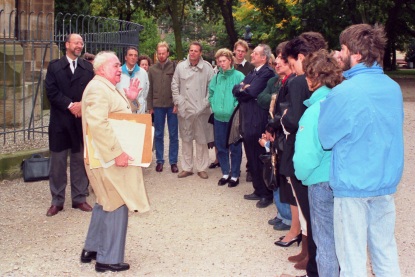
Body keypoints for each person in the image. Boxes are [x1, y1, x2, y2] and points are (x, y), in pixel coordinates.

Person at [318, 24, 404, 277]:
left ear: (355, 54)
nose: (339, 54)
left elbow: (325, 137)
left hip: (353, 185)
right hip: (385, 182)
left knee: (352, 258)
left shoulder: (344, 91)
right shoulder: (392, 87)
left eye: (342, 49)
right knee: (385, 252)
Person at [79, 51, 150, 273]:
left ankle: (92, 249)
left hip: (103, 158)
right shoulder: (98, 89)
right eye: (116, 65)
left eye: (120, 65)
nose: (120, 69)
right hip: (106, 158)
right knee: (116, 203)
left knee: (103, 201)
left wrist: (129, 98)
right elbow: (98, 124)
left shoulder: (106, 87)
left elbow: (119, 116)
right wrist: (116, 152)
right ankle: (107, 258)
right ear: (101, 69)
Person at [277, 32, 327, 276]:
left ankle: (314, 265)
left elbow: (295, 120)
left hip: (303, 155)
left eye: (293, 63)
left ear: (300, 57)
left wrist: (284, 118)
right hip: (323, 160)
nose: (294, 69)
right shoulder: (330, 79)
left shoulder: (299, 81)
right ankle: (310, 256)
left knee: (312, 214)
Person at [293, 49, 343, 277]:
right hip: (342, 179)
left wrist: (302, 175)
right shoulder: (341, 101)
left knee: (325, 244)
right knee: (342, 241)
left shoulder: (314, 111)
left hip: (320, 183)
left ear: (314, 77)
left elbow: (305, 157)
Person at [44, 33, 94, 217]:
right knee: (57, 163)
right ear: (67, 44)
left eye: (81, 42)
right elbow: (51, 91)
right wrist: (70, 104)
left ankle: (79, 198)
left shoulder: (87, 68)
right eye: (76, 42)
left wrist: (82, 104)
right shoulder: (55, 67)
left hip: (79, 122)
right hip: (60, 122)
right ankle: (57, 200)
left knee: (79, 161)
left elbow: (92, 91)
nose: (79, 45)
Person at [232, 44, 275, 208]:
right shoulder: (252, 72)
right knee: (250, 156)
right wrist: (242, 88)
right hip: (247, 120)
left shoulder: (267, 73)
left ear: (264, 57)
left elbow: (252, 92)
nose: (252, 56)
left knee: (260, 156)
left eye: (255, 54)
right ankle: (257, 189)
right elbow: (236, 89)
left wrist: (244, 90)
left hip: (258, 120)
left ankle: (266, 193)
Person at [258, 42, 295, 232]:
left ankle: (288, 217)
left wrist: (273, 126)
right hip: (275, 130)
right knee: (275, 171)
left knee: (282, 174)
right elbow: (261, 98)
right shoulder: (277, 82)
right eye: (277, 58)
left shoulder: (292, 83)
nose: (277, 62)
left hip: (282, 134)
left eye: (282, 59)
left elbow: (287, 113)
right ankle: (282, 213)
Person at [171, 42, 214, 179]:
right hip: (185, 109)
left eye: (196, 51)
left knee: (201, 140)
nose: (193, 53)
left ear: (200, 53)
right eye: (191, 50)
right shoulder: (180, 67)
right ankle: (187, 167)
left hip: (202, 110)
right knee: (186, 139)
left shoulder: (207, 68)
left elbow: (211, 88)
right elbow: (174, 85)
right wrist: (178, 101)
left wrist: (205, 103)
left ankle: (202, 168)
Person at [208, 48, 245, 187]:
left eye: (224, 61)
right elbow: (210, 91)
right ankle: (225, 172)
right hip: (218, 117)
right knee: (221, 146)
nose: (222, 63)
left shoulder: (239, 76)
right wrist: (213, 103)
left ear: (230, 60)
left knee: (235, 146)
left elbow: (242, 94)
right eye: (219, 61)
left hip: (233, 118)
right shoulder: (217, 76)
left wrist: (235, 107)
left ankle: (235, 175)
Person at [147, 41, 179, 173]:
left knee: (173, 135)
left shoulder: (174, 67)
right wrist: (150, 106)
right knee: (159, 134)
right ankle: (160, 160)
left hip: (172, 106)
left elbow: (178, 86)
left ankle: (173, 161)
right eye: (159, 53)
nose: (161, 55)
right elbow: (149, 89)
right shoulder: (152, 70)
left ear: (167, 53)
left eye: (163, 53)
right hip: (157, 106)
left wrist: (177, 103)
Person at [233, 39, 255, 182]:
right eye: (238, 51)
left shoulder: (250, 67)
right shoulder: (229, 65)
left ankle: (250, 167)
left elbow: (250, 87)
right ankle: (233, 168)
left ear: (246, 53)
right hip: (230, 106)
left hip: (245, 105)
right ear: (234, 50)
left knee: (247, 136)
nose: (240, 54)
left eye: (243, 51)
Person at [116, 46, 149, 114]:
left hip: (139, 109)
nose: (133, 57)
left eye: (135, 56)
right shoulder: (118, 71)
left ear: (137, 59)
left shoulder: (143, 73)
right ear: (125, 57)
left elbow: (146, 90)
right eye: (130, 55)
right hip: (122, 108)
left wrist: (139, 100)